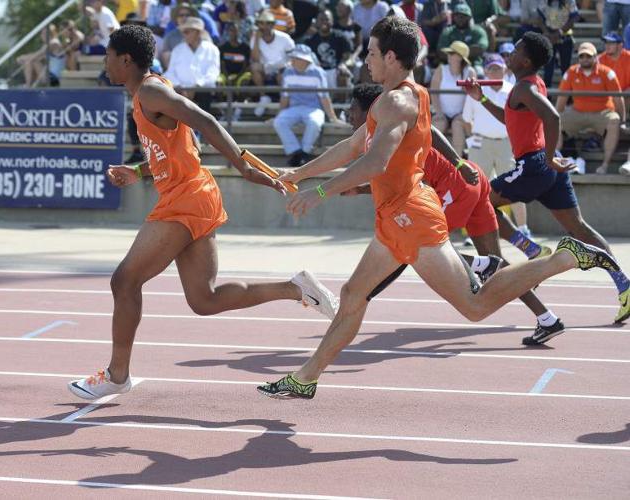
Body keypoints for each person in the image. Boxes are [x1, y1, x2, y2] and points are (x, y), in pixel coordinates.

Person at [258, 18, 619, 399]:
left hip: (411, 218)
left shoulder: (397, 102)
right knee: (352, 295)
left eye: (372, 53)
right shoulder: (400, 95)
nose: (366, 60)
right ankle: (306, 376)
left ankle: (561, 258)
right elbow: (352, 147)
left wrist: (321, 192)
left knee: (475, 306)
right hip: (395, 218)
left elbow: (374, 162)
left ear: (392, 56)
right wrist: (299, 172)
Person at [67, 25, 339, 400]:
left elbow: (205, 121)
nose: (105, 62)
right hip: (195, 194)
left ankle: (117, 374)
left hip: (185, 199)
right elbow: (181, 145)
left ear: (125, 60)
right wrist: (140, 170)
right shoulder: (144, 94)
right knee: (204, 299)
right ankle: (295, 288)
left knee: (124, 281)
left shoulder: (150, 90)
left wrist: (243, 168)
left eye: (108, 56)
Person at [343, 83, 563, 345]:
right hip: (472, 179)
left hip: (457, 184)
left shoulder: (390, 133)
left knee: (419, 247)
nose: (348, 115)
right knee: (497, 265)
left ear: (370, 111)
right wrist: (360, 189)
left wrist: (363, 294)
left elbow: (428, 138)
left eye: (353, 109)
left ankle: (482, 264)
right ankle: (547, 318)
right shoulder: (385, 131)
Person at [463, 32, 630, 323]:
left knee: (478, 203)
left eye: (514, 50)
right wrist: (482, 99)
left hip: (535, 164)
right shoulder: (529, 86)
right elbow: (511, 119)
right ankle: (624, 285)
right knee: (578, 227)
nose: (509, 55)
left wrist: (550, 156)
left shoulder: (524, 90)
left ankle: (530, 248)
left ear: (525, 60)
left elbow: (553, 118)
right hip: (546, 167)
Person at [462, 53, 531, 236]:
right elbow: (466, 120)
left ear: (504, 70)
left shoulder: (512, 90)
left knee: (515, 188)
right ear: (485, 70)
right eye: (491, 68)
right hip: (481, 143)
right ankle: (473, 232)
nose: (494, 71)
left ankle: (523, 228)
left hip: (506, 144)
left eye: (498, 68)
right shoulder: (474, 91)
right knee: (475, 188)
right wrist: (476, 138)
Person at [556, 41, 625, 175]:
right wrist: (555, 115)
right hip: (577, 112)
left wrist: (622, 120)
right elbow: (562, 98)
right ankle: (553, 162)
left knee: (614, 120)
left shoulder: (607, 72)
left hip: (602, 112)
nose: (585, 59)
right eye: (582, 56)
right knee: (555, 121)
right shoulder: (571, 72)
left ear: (595, 57)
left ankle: (604, 165)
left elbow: (618, 98)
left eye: (588, 56)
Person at [273, 44, 342, 167]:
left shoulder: (318, 73)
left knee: (314, 122)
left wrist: (333, 118)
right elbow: (285, 97)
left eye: (296, 58)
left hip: (313, 108)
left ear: (304, 60)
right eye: (293, 57)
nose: (292, 60)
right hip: (293, 108)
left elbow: (324, 98)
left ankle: (303, 152)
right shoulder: (288, 72)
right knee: (279, 122)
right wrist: (278, 115)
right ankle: (297, 152)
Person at [164, 17, 220, 114]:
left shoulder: (212, 49)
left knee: (204, 98)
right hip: (180, 90)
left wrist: (197, 86)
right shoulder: (177, 49)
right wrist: (180, 87)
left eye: (187, 32)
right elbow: (170, 72)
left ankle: (202, 128)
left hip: (203, 91)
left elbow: (213, 73)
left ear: (197, 33)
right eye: (183, 32)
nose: (184, 35)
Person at [431, 40, 476, 155]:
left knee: (458, 125)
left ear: (460, 58)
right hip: (442, 112)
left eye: (452, 53)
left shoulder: (470, 72)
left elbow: (472, 97)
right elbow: (434, 93)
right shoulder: (441, 70)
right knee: (438, 125)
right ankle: (429, 161)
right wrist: (439, 112)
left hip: (461, 114)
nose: (448, 55)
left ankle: (457, 165)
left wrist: (465, 114)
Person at [250, 10, 295, 116]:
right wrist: (256, 39)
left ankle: (284, 102)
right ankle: (263, 97)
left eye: (268, 23)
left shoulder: (284, 38)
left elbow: (293, 56)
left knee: (282, 74)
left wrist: (286, 65)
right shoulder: (255, 38)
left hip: (283, 67)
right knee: (254, 67)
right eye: (261, 23)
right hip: (266, 68)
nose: (264, 26)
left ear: (273, 25)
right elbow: (255, 59)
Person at [306, 10, 353, 87]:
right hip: (318, 72)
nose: (324, 22)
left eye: (327, 19)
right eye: (321, 19)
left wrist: (343, 65)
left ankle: (340, 99)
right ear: (316, 22)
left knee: (342, 74)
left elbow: (348, 57)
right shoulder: (310, 41)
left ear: (332, 21)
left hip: (336, 71)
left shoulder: (341, 37)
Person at [536, 0, 578, 87]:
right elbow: (539, 18)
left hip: (565, 37)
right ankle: (547, 93)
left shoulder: (570, 1)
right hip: (549, 36)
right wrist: (547, 33)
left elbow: (574, 18)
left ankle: (567, 94)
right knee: (548, 68)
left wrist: (559, 33)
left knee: (566, 68)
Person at [438, 3, 489, 70]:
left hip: (474, 63)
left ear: (470, 17)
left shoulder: (478, 31)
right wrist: (459, 57)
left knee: (479, 73)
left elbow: (480, 49)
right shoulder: (448, 31)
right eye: (457, 16)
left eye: (463, 16)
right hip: (451, 64)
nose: (460, 18)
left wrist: (455, 53)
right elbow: (441, 51)